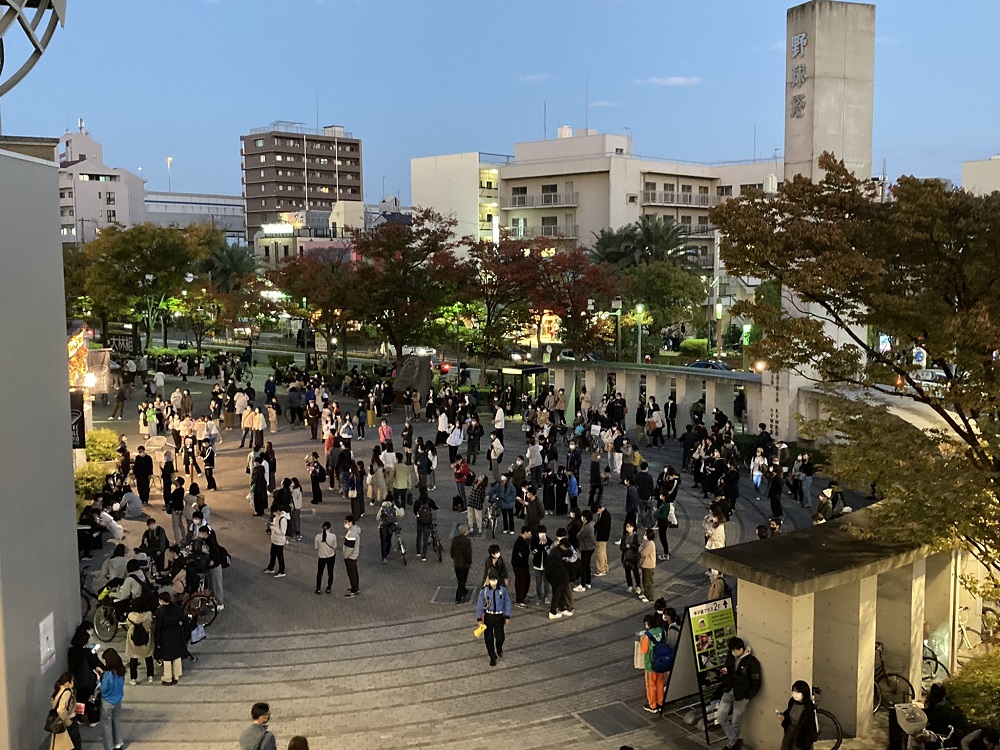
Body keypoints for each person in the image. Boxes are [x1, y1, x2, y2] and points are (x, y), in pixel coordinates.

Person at [717, 636, 763, 750]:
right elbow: (727, 668)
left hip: (741, 696)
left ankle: (731, 745)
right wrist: (724, 673)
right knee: (721, 716)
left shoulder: (751, 662)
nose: (733, 652)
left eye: (734, 650)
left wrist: (748, 695)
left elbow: (756, 681)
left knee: (735, 721)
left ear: (741, 648)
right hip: (729, 690)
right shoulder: (731, 658)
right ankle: (734, 741)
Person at [475, 570, 512, 667]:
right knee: (488, 638)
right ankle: (492, 656)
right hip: (488, 616)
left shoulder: (502, 590)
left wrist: (507, 615)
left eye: (495, 579)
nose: (493, 581)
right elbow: (480, 605)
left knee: (500, 637)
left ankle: (499, 647)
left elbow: (507, 602)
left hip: (499, 616)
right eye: (491, 579)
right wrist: (479, 618)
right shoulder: (484, 591)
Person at [154, 592, 186, 685]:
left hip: (165, 635)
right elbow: (184, 620)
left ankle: (167, 678)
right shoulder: (176, 608)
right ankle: (176, 675)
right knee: (176, 655)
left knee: (167, 657)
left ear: (162, 601)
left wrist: (158, 641)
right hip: (176, 633)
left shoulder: (160, 612)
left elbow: (158, 628)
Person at [99, 647, 126, 750]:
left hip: (107, 701)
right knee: (116, 721)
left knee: (107, 725)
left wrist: (98, 681)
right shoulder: (121, 670)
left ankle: (109, 746)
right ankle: (118, 743)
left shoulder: (108, 674)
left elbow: (103, 689)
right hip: (118, 700)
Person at [640, 614, 667, 713]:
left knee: (651, 685)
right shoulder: (662, 631)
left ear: (647, 624)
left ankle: (653, 705)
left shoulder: (646, 636)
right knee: (660, 683)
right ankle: (660, 702)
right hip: (662, 662)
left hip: (650, 665)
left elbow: (644, 650)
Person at [780, 680, 818, 750]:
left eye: (798, 692)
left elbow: (810, 728)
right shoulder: (792, 702)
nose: (795, 694)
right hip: (790, 731)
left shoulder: (808, 708)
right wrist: (784, 716)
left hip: (801, 734)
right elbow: (788, 712)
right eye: (794, 691)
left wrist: (807, 743)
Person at [124, 600, 155, 685]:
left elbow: (128, 624)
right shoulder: (149, 614)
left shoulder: (130, 616)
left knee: (133, 658)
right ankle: (150, 676)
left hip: (133, 639)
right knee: (148, 656)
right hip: (146, 638)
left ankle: (133, 678)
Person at [49, 672, 79, 750]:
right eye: (71, 681)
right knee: (74, 744)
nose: (73, 683)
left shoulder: (58, 690)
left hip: (58, 721)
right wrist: (67, 721)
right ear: (67, 683)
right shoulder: (66, 692)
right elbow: (61, 710)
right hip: (68, 720)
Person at [450, 524, 473, 604]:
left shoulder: (454, 539)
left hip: (457, 563)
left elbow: (452, 551)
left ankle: (464, 590)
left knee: (460, 579)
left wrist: (454, 557)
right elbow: (468, 553)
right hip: (464, 564)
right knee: (462, 580)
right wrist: (469, 561)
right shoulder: (467, 541)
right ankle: (458, 597)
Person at [413, 489, 438, 561]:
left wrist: (416, 514)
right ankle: (424, 555)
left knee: (419, 536)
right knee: (425, 539)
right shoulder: (429, 501)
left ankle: (418, 551)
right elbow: (435, 506)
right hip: (428, 522)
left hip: (420, 521)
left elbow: (414, 510)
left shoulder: (418, 502)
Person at [263, 508, 289, 577]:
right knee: (273, 554)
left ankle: (282, 571)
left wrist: (274, 528)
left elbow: (283, 532)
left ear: (278, 511)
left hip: (279, 541)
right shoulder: (277, 517)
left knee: (280, 556)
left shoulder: (283, 520)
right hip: (274, 539)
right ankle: (271, 567)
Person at [531, 526, 554, 604]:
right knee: (538, 583)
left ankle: (546, 596)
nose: (541, 535)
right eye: (540, 533)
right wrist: (539, 545)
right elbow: (533, 552)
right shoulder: (534, 541)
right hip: (537, 565)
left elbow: (550, 553)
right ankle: (539, 597)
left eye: (543, 533)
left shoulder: (550, 541)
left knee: (546, 583)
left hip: (546, 565)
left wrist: (545, 545)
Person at [511, 526, 532, 608]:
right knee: (521, 582)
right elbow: (522, 554)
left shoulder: (523, 541)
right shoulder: (520, 542)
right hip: (519, 566)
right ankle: (519, 600)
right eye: (529, 532)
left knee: (526, 580)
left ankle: (522, 598)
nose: (530, 534)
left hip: (523, 565)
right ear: (525, 532)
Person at [314, 521, 337, 594]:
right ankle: (329, 588)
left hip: (322, 556)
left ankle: (318, 589)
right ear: (329, 528)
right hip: (331, 556)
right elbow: (335, 546)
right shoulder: (333, 536)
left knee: (320, 573)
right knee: (330, 572)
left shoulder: (318, 536)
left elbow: (316, 547)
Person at [342, 515, 361, 597]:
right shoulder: (355, 531)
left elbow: (350, 547)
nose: (345, 524)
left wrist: (346, 556)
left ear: (350, 522)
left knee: (351, 573)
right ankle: (356, 586)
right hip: (354, 556)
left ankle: (354, 589)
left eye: (346, 522)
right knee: (354, 572)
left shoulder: (351, 534)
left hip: (350, 557)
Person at [638, 528, 657, 603]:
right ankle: (646, 593)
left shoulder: (650, 544)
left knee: (648, 581)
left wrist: (641, 548)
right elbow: (641, 548)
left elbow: (643, 553)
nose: (644, 535)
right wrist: (641, 548)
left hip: (649, 566)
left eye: (645, 534)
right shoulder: (646, 542)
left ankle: (650, 597)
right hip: (645, 565)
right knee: (644, 580)